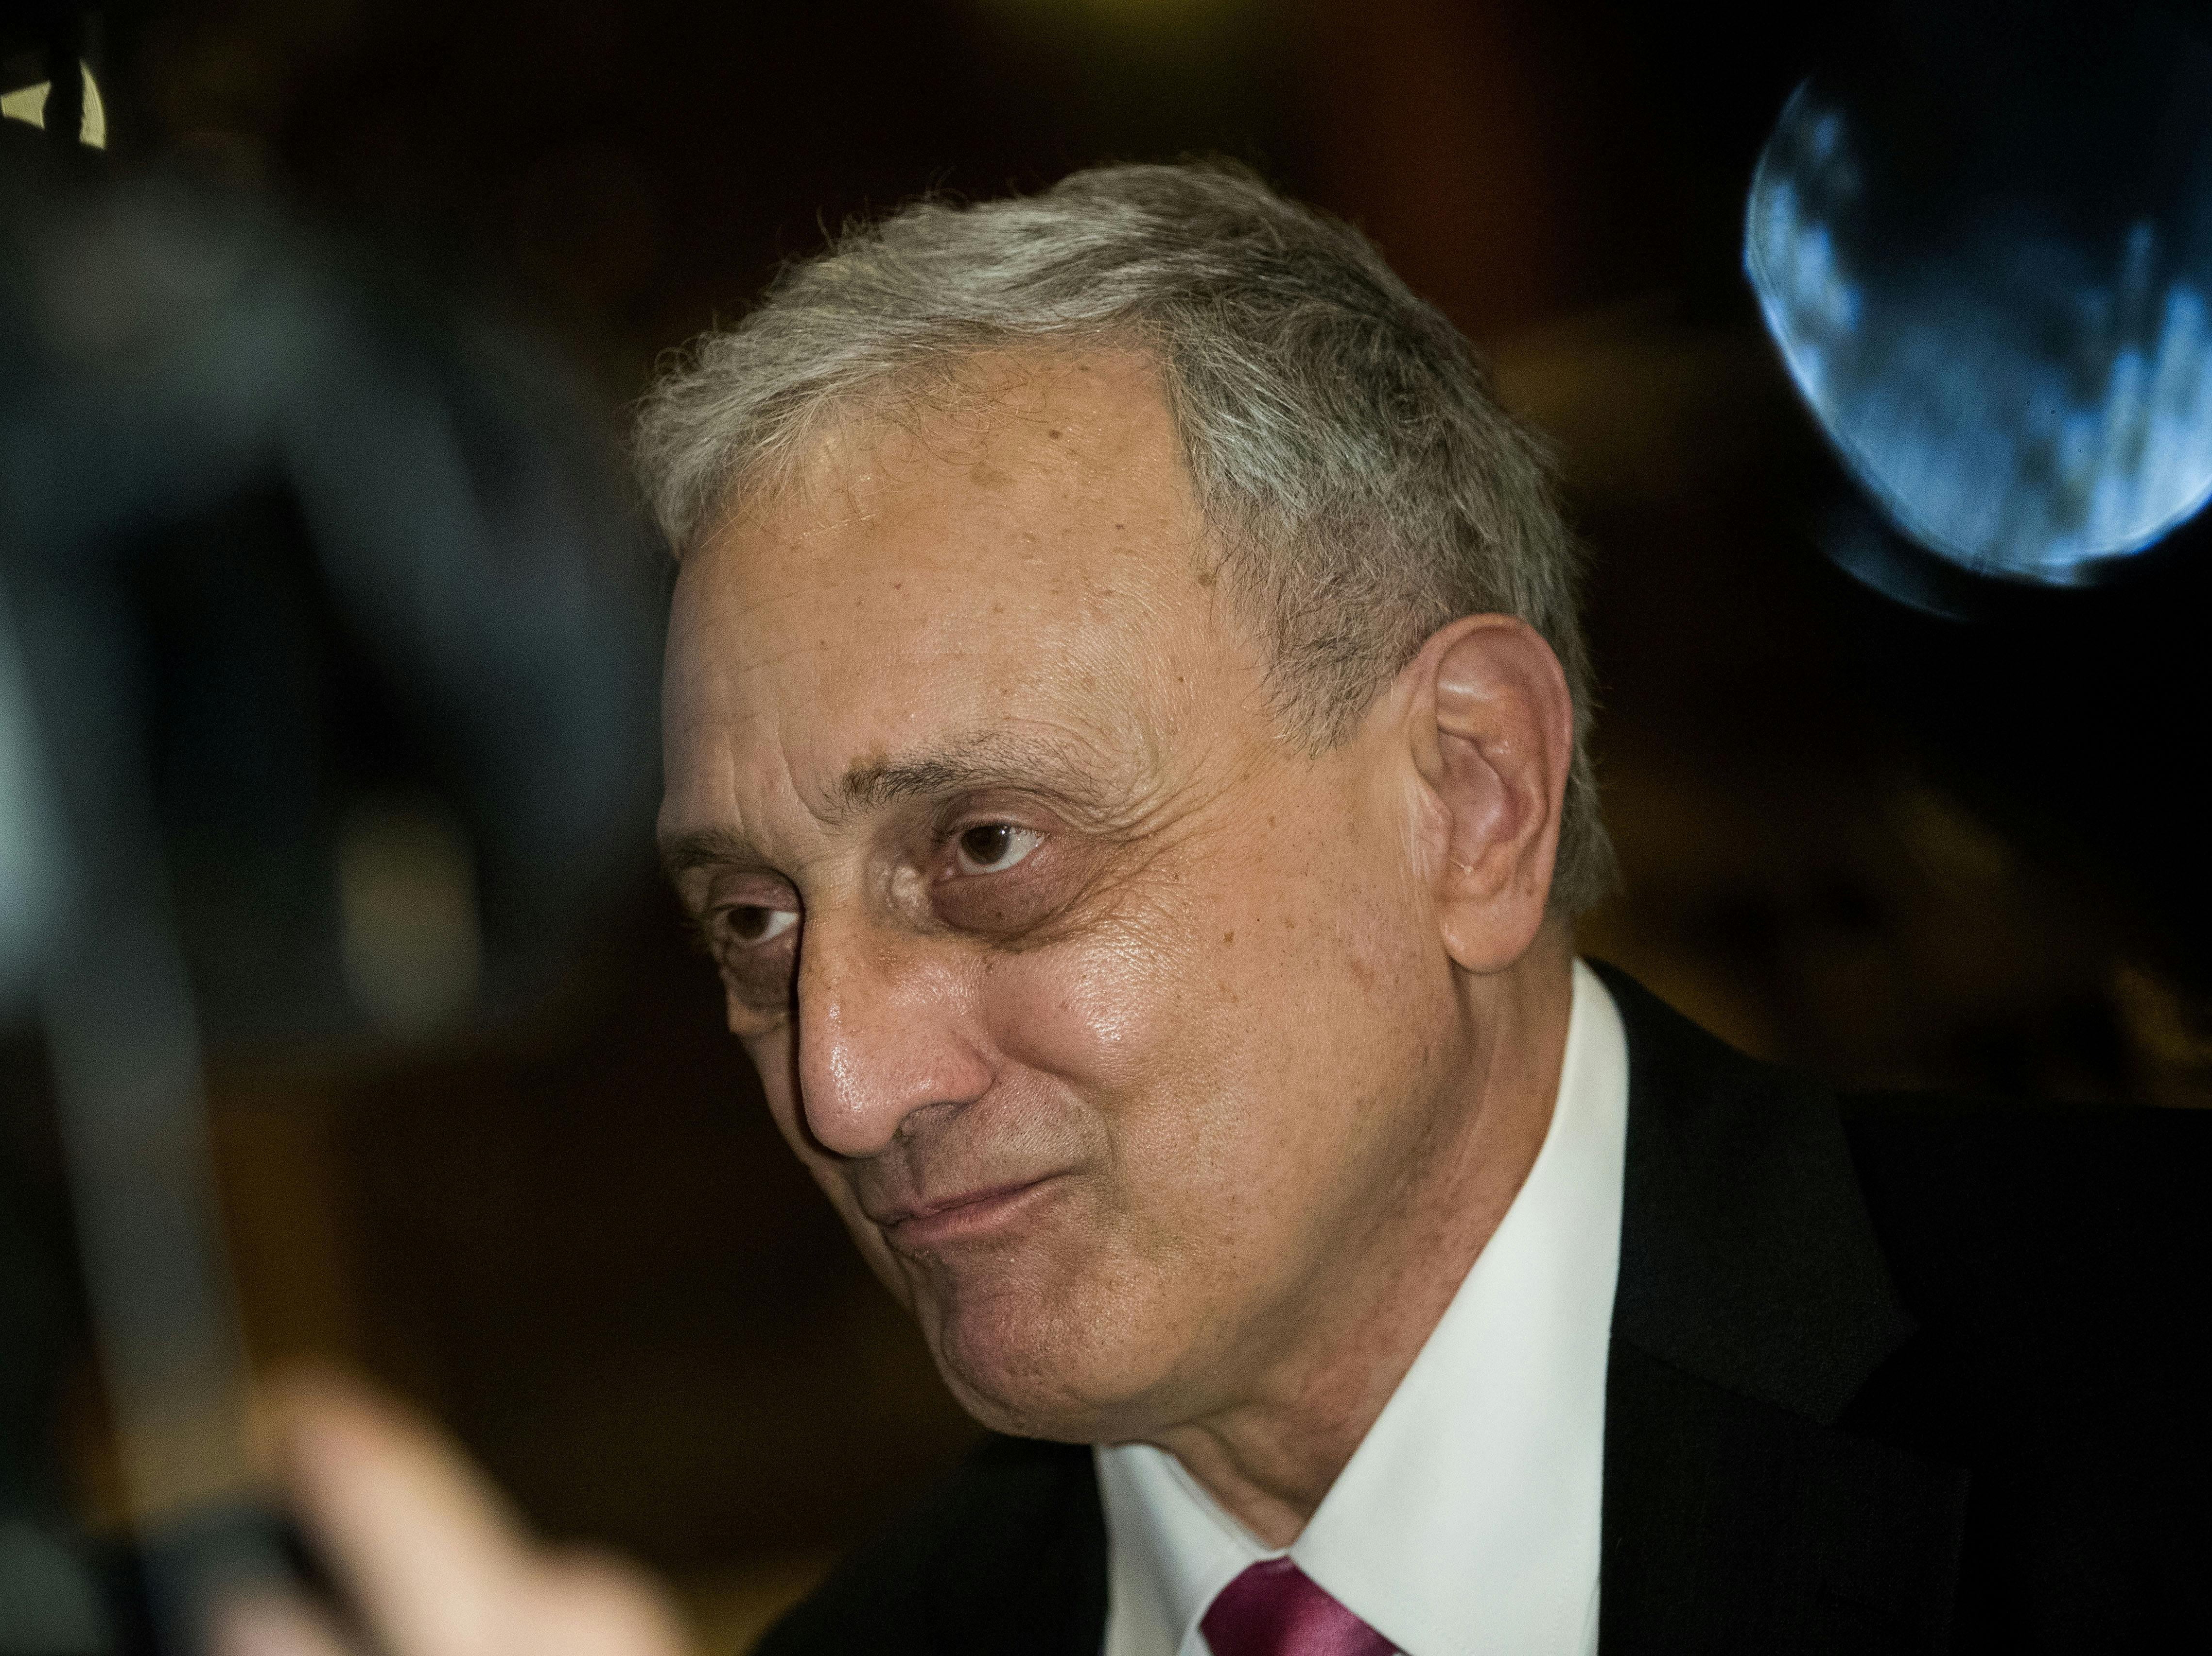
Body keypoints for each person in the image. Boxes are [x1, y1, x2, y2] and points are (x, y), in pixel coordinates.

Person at [256, 161, 2211, 1656]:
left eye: (987, 852)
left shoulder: (2147, 1388)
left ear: (1472, 794)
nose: (843, 1085)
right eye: (756, 923)